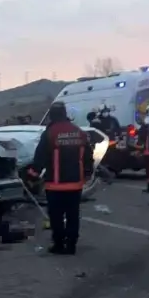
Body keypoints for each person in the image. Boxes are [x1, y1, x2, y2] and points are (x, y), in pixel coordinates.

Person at [31, 102, 93, 255]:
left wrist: (31, 176)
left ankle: (59, 244)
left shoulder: (50, 133)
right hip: (75, 184)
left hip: (55, 185)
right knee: (73, 215)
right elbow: (88, 156)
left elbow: (40, 158)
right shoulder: (79, 132)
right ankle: (71, 245)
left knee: (56, 216)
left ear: (52, 115)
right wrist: (87, 173)